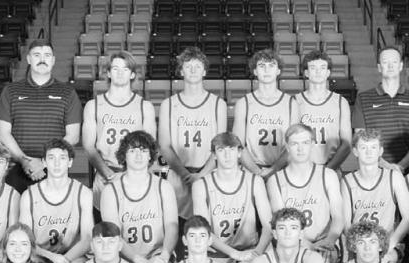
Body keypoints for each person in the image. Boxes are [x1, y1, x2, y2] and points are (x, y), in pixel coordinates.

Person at [0, 39, 82, 192]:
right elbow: (3, 133)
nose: (42, 59)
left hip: (54, 170)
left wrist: (43, 162)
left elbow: (73, 136)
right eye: (37, 55)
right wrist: (24, 160)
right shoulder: (10, 91)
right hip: (17, 168)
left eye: (47, 55)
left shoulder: (68, 93)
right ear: (28, 59)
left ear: (53, 60)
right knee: (17, 215)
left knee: (51, 216)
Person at [101, 130, 178, 263]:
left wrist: (163, 258)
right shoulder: (111, 191)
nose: (138, 155)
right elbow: (114, 237)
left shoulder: (164, 186)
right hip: (125, 258)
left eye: (143, 150)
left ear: (150, 156)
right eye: (132, 151)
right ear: (124, 156)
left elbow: (172, 226)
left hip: (158, 255)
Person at [159, 47, 227, 219]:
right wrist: (185, 175)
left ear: (204, 71)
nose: (193, 70)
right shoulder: (168, 104)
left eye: (198, 66)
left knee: (207, 228)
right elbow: (164, 146)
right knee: (178, 227)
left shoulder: (218, 104)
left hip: (209, 173)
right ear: (181, 71)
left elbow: (221, 145)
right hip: (178, 174)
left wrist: (202, 174)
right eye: (188, 66)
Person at [82, 51, 156, 209]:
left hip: (136, 178)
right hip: (104, 177)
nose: (120, 73)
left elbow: (150, 147)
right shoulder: (93, 105)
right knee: (104, 231)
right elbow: (88, 147)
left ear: (132, 74)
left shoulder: (145, 107)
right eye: (115, 69)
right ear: (108, 73)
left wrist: (126, 176)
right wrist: (109, 174)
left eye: (125, 69)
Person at [192, 132, 273, 263]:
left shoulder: (254, 181)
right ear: (214, 155)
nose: (227, 155)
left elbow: (268, 225)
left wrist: (256, 253)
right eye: (221, 150)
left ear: (240, 153)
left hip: (249, 250)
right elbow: (203, 231)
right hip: (217, 254)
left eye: (232, 149)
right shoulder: (201, 185)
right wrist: (234, 254)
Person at [267, 124, 343, 263]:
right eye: (295, 144)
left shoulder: (328, 175)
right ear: (287, 147)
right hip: (290, 243)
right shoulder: (275, 180)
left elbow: (338, 217)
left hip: (325, 242)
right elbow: (281, 224)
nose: (300, 149)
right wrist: (307, 246)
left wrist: (329, 241)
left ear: (313, 145)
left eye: (305, 143)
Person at [350, 46, 409, 172]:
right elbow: (360, 139)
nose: (390, 66)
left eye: (394, 62)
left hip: (406, 172)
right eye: (385, 62)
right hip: (373, 172)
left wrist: (401, 166)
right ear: (379, 67)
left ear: (401, 66)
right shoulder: (363, 99)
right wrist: (384, 165)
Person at [340, 129, 409, 261]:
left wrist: (388, 244)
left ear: (380, 151)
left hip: (389, 244)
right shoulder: (347, 181)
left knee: (384, 262)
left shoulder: (394, 177)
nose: (369, 152)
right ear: (355, 151)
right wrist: (359, 247)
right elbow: (346, 224)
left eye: (373, 147)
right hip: (359, 246)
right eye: (363, 147)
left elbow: (408, 218)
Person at [19, 139, 93, 263]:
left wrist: (63, 260)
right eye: (52, 158)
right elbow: (24, 240)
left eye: (62, 158)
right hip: (39, 254)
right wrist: (53, 257)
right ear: (44, 162)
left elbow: (87, 239)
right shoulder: (29, 195)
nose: (57, 163)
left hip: (72, 255)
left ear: (70, 162)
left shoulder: (83, 193)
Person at [233, 49, 299, 178]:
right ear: (255, 71)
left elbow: (293, 144)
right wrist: (257, 172)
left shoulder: (291, 103)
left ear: (278, 71)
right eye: (262, 66)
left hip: (282, 170)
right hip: (250, 171)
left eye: (271, 65)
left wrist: (273, 170)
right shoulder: (244, 103)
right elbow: (238, 144)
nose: (267, 70)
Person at [296, 50, 352, 171]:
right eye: (313, 67)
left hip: (332, 168)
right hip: (302, 170)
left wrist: (327, 170)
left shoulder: (340, 102)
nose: (317, 71)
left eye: (322, 68)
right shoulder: (295, 102)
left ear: (328, 73)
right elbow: (289, 142)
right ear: (306, 73)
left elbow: (347, 145)